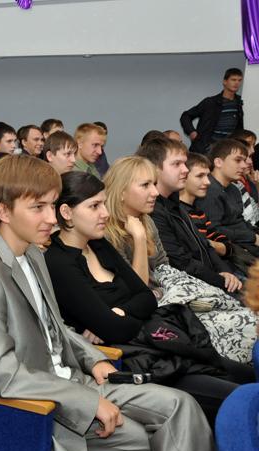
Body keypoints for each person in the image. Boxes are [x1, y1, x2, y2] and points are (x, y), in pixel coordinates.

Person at [0, 155, 216, 451]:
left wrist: (92, 357)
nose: (52, 219)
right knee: (161, 442)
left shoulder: (33, 254)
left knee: (182, 406)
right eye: (38, 208)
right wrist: (84, 401)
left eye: (52, 206)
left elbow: (52, 326)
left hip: (75, 378)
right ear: (3, 211)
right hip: (46, 402)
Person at [47, 170, 254, 424]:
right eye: (94, 206)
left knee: (248, 375)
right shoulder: (58, 262)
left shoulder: (98, 244)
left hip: (164, 346)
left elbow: (148, 297)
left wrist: (121, 313)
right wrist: (126, 315)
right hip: (141, 363)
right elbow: (115, 328)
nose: (105, 213)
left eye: (103, 203)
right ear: (67, 213)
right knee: (244, 401)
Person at [104, 156, 255, 364]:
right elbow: (138, 288)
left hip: (172, 299)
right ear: (121, 192)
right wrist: (139, 240)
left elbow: (164, 267)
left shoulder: (146, 220)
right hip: (155, 316)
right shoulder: (108, 235)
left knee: (247, 318)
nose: (155, 192)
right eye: (145, 185)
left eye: (153, 184)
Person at [135, 138, 241, 291]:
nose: (185, 169)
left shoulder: (175, 204)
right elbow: (181, 262)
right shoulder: (153, 211)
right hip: (195, 288)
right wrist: (221, 281)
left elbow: (205, 246)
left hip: (211, 281)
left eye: (184, 163)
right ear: (154, 169)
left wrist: (226, 273)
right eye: (177, 164)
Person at [180, 151, 255, 276]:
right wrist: (212, 245)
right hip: (208, 274)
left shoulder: (198, 212)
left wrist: (212, 244)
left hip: (226, 266)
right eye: (200, 176)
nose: (208, 182)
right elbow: (197, 249)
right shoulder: (181, 213)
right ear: (183, 177)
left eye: (207, 176)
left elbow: (225, 244)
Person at [198, 138, 259, 256]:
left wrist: (255, 234)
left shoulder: (233, 189)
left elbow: (241, 222)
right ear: (218, 162)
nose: (243, 165)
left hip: (246, 243)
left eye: (244, 160)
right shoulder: (208, 190)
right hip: (234, 251)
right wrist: (252, 237)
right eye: (238, 160)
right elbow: (213, 231)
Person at [181, 68, 244, 153]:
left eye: (239, 80)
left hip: (226, 150)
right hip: (206, 149)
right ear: (225, 82)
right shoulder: (210, 102)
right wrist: (191, 132)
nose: (237, 83)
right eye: (233, 80)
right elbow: (186, 116)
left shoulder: (238, 103)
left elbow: (239, 128)